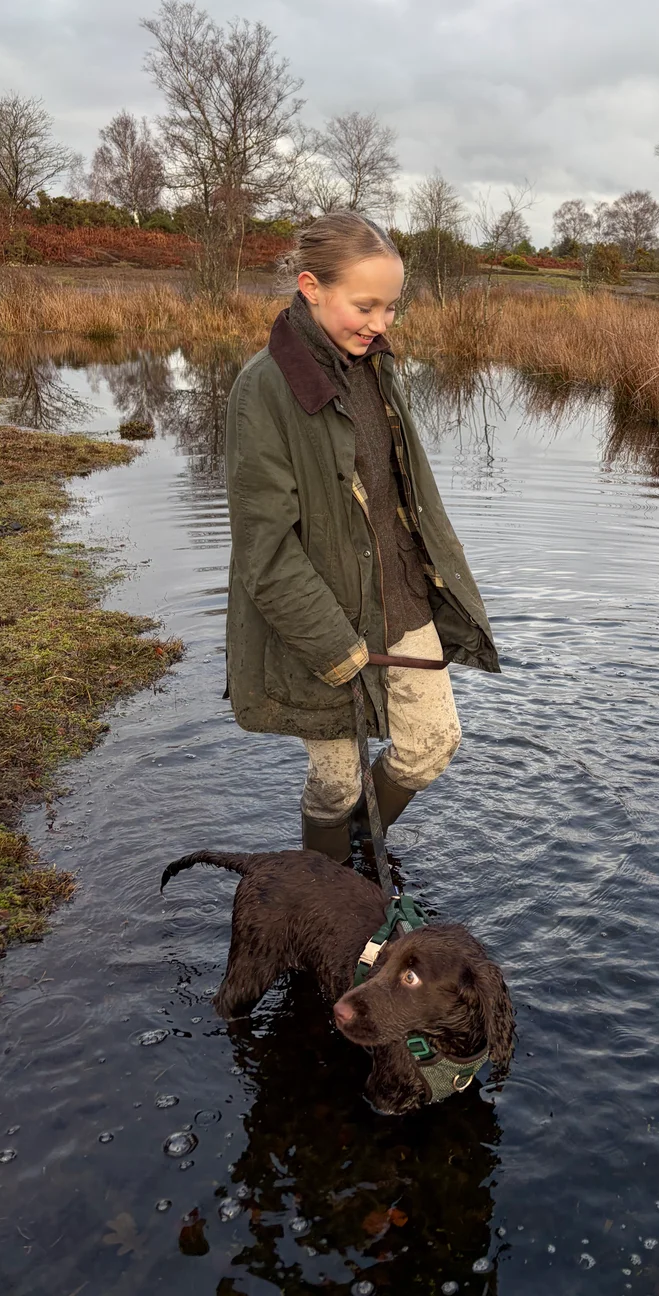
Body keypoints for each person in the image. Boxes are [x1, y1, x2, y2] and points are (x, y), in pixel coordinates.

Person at [224, 212, 499, 860]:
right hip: (319, 621)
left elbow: (402, 495)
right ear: (311, 287)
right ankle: (323, 889)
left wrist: (444, 585)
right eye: (365, 304)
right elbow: (264, 551)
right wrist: (333, 644)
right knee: (336, 781)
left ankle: (358, 853)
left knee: (432, 743)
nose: (381, 322)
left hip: (399, 597)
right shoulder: (261, 391)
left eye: (391, 307)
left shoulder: (377, 366)